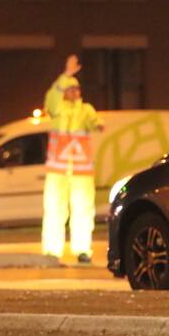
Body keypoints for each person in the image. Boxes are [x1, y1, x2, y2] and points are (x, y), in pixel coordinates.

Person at [41, 54, 103, 264]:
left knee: (83, 210)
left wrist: (98, 125)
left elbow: (93, 120)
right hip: (58, 170)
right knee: (54, 209)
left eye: (77, 89)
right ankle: (52, 250)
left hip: (81, 171)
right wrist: (65, 75)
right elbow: (51, 99)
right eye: (71, 89)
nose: (75, 92)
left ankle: (83, 249)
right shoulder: (57, 110)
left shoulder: (85, 110)